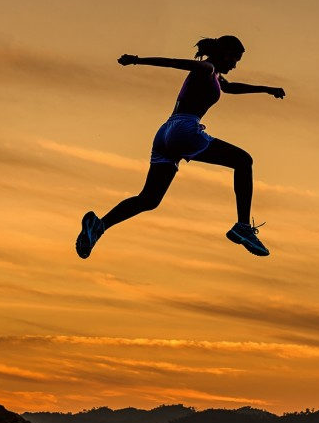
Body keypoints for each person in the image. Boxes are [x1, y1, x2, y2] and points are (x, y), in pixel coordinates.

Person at [75, 35, 285, 259]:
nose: (235, 64)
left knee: (149, 199)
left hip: (165, 133)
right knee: (243, 161)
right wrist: (137, 60)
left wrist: (266, 89)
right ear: (224, 53)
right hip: (184, 129)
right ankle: (242, 226)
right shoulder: (206, 67)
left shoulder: (215, 75)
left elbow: (231, 88)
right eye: (235, 58)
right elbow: (174, 62)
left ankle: (99, 226)